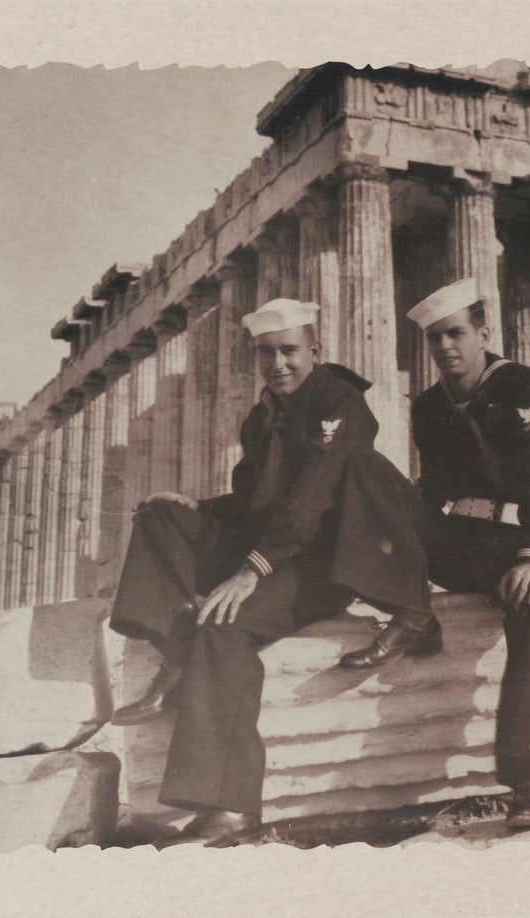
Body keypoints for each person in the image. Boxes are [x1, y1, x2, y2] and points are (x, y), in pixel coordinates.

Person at [106, 298, 433, 848]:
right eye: (266, 353)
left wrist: (250, 571)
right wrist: (196, 509)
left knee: (225, 626)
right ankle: (178, 652)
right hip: (274, 548)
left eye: (289, 351)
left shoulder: (340, 403)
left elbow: (308, 501)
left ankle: (231, 810)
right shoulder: (263, 415)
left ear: (315, 351)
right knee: (159, 515)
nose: (278, 363)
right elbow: (253, 502)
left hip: (319, 564)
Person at [341, 277, 530, 831]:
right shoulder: (429, 406)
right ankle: (413, 613)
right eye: (435, 338)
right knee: (364, 466)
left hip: (509, 541)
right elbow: (432, 487)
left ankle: (527, 783)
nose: (444, 346)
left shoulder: (519, 385)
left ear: (482, 334)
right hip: (451, 537)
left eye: (455, 334)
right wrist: (400, 539)